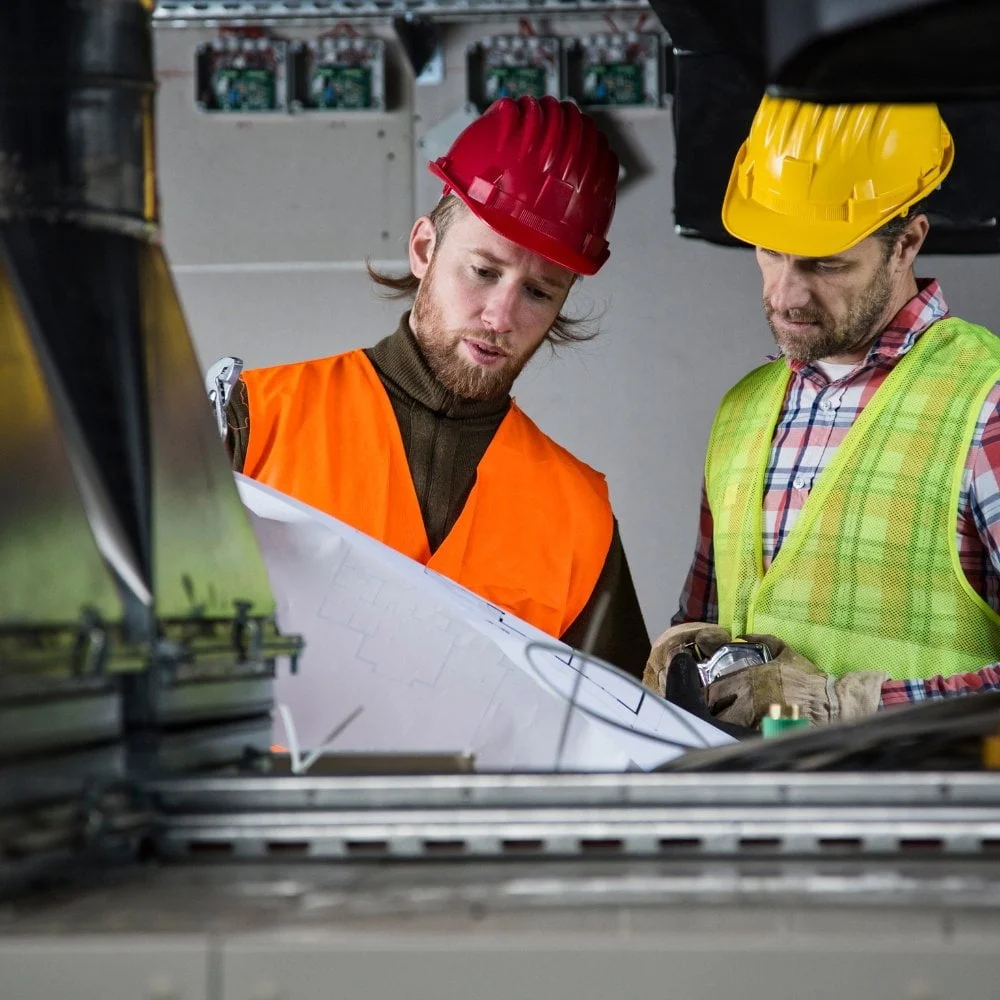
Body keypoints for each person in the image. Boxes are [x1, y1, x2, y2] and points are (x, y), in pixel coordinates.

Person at [220, 96, 650, 677]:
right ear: (425, 248)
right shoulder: (254, 420)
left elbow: (622, 740)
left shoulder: (581, 518)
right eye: (484, 271)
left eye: (539, 292)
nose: (501, 316)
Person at [644, 96, 1000, 728]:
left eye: (825, 261)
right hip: (759, 821)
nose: (785, 294)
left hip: (932, 822)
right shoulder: (743, 410)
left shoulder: (986, 403)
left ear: (906, 243)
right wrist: (684, 653)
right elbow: (710, 632)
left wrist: (845, 707)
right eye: (770, 251)